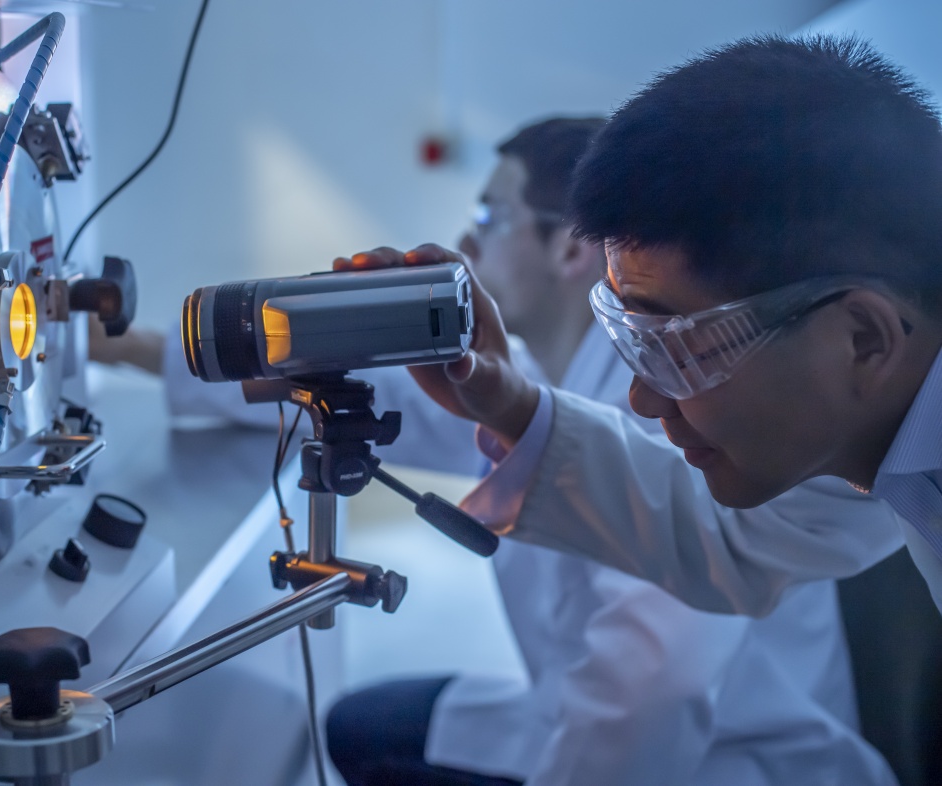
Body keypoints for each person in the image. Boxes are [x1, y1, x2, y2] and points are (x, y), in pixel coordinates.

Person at [95, 118, 901, 784]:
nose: (462, 242)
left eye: (489, 219)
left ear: (571, 250)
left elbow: (649, 693)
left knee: (363, 737)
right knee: (357, 724)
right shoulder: (553, 371)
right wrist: (132, 347)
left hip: (721, 759)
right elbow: (409, 404)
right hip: (576, 706)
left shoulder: (698, 411)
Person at [340, 35, 942, 617]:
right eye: (632, 337)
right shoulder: (867, 426)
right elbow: (723, 536)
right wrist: (513, 405)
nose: (646, 399)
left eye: (681, 347)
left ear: (864, 340)